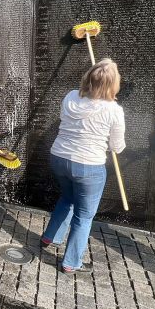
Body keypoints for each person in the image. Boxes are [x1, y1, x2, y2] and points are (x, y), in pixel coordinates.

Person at [41, 59, 125, 275]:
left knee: (67, 198)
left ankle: (50, 237)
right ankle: (71, 263)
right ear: (114, 84)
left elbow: (64, 120)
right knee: (84, 216)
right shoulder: (114, 110)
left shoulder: (71, 96)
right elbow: (117, 146)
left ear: (88, 77)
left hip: (59, 158)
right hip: (89, 166)